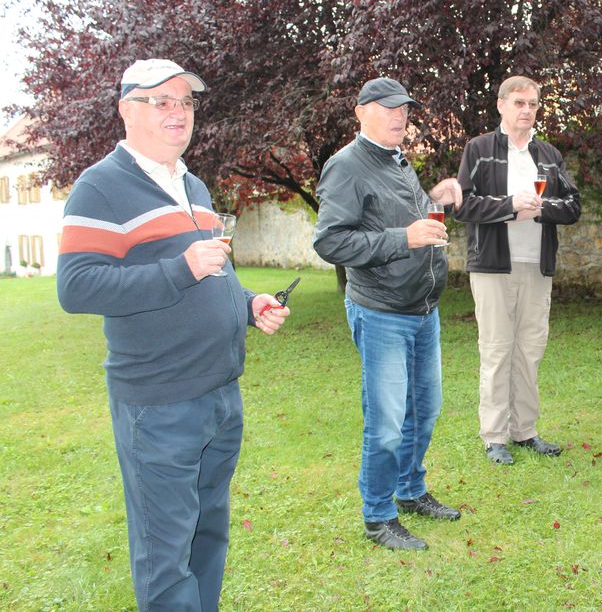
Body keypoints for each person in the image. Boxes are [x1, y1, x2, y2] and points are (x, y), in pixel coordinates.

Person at [56, 58, 290, 611]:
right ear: (126, 110)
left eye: (185, 101)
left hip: (220, 394)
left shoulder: (192, 184)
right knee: (166, 554)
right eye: (160, 100)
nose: (177, 112)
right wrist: (178, 269)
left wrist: (247, 304)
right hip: (159, 403)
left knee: (207, 535)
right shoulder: (100, 186)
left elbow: (215, 272)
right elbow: (76, 287)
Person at [313, 77, 463, 551]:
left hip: (423, 309)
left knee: (424, 409)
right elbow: (330, 241)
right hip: (381, 312)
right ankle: (378, 515)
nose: (400, 116)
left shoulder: (397, 159)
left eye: (404, 109)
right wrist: (405, 238)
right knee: (386, 423)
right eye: (388, 108)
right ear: (361, 112)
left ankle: (410, 489)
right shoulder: (346, 166)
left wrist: (436, 198)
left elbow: (404, 215)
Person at [455, 76, 581, 465]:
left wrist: (541, 210)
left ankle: (525, 431)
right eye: (519, 103)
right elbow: (463, 205)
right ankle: (495, 437)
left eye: (533, 104)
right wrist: (510, 205)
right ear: (501, 105)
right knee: (497, 350)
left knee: (530, 350)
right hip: (493, 266)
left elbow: (572, 206)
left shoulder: (549, 155)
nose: (527, 110)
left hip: (537, 266)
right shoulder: (479, 149)